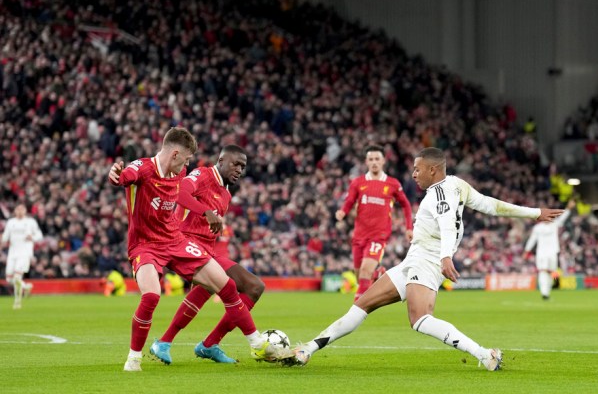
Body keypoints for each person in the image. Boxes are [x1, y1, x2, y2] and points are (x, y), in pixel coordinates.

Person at [286, 147, 564, 369]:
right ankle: (309, 349)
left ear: (433, 169)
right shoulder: (457, 185)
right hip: (414, 259)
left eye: (417, 169)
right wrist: (533, 212)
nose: (414, 174)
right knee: (362, 305)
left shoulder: (439, 195)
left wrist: (445, 257)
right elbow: (490, 205)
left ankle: (484, 354)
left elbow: (445, 222)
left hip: (428, 260)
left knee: (419, 319)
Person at [108, 128, 286, 372]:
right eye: (187, 158)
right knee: (151, 296)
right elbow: (125, 176)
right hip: (145, 244)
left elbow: (179, 190)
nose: (188, 165)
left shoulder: (185, 173)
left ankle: (256, 343)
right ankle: (134, 358)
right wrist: (115, 174)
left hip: (176, 240)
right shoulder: (146, 168)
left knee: (228, 286)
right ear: (175, 153)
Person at [150, 145, 266, 365]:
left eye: (243, 166)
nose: (239, 170)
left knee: (251, 287)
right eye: (235, 164)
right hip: (183, 243)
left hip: (206, 250)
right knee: (239, 286)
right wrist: (206, 211)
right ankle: (250, 342)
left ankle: (182, 343)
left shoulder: (226, 192)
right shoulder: (202, 174)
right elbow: (180, 193)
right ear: (221, 160)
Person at [336, 145, 413, 301]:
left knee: (365, 271)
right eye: (371, 159)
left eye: (377, 159)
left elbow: (406, 205)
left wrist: (409, 227)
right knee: (360, 277)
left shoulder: (392, 184)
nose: (374, 162)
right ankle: (378, 274)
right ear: (366, 161)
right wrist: (343, 211)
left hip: (379, 235)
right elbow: (350, 200)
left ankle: (358, 307)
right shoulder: (358, 182)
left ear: (383, 161)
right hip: (359, 235)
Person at [524, 199, 574, 300]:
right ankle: (546, 292)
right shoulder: (547, 226)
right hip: (547, 253)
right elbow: (532, 240)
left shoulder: (548, 226)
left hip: (547, 253)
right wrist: (527, 251)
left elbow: (532, 240)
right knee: (547, 272)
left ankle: (548, 290)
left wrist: (527, 251)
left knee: (548, 272)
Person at [1, 204, 43, 309]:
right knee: (9, 279)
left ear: (25, 211)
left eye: (22, 209)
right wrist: (3, 240)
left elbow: (39, 235)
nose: (19, 211)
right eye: (17, 209)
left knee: (17, 277)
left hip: (24, 253)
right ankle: (26, 286)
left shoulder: (30, 222)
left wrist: (32, 237)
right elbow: (5, 237)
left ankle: (17, 302)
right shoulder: (11, 222)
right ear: (15, 211)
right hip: (12, 253)